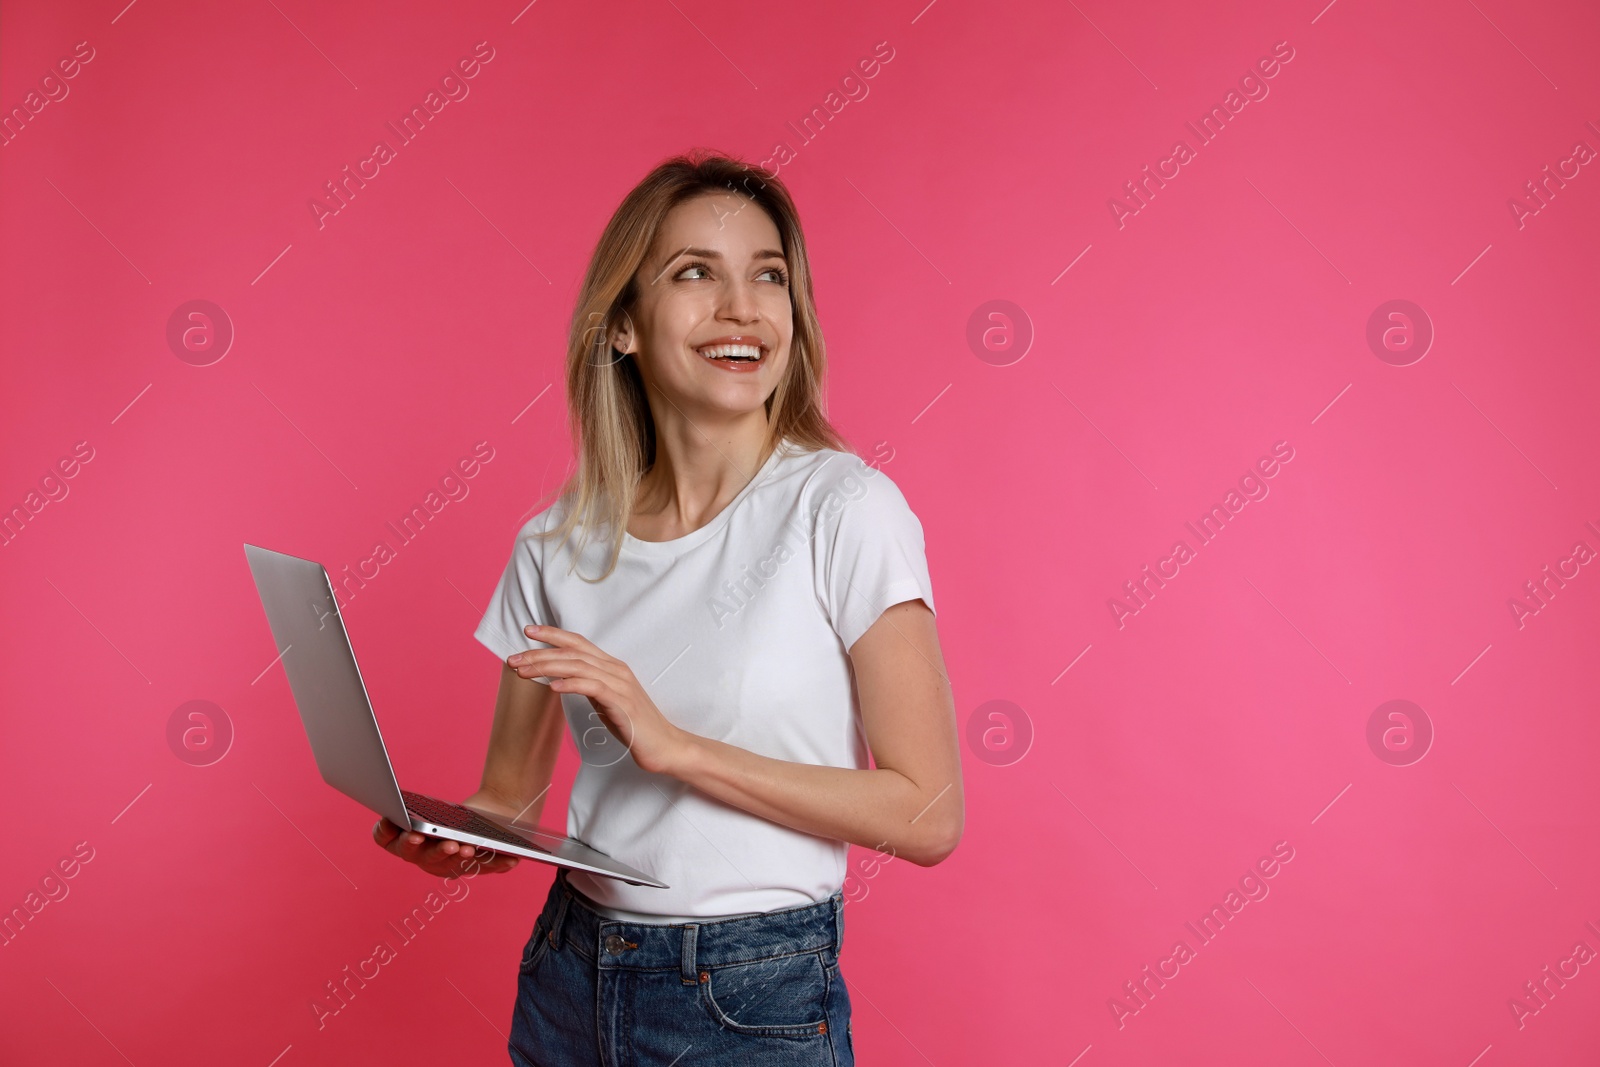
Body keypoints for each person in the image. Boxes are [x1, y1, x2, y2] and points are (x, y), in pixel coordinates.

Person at [373, 149, 964, 1066]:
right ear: (623, 327)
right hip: (572, 971)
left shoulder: (844, 510)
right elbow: (512, 792)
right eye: (696, 273)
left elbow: (928, 814)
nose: (742, 307)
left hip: (751, 993)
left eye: (768, 277)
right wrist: (456, 835)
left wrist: (673, 743)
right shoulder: (556, 545)